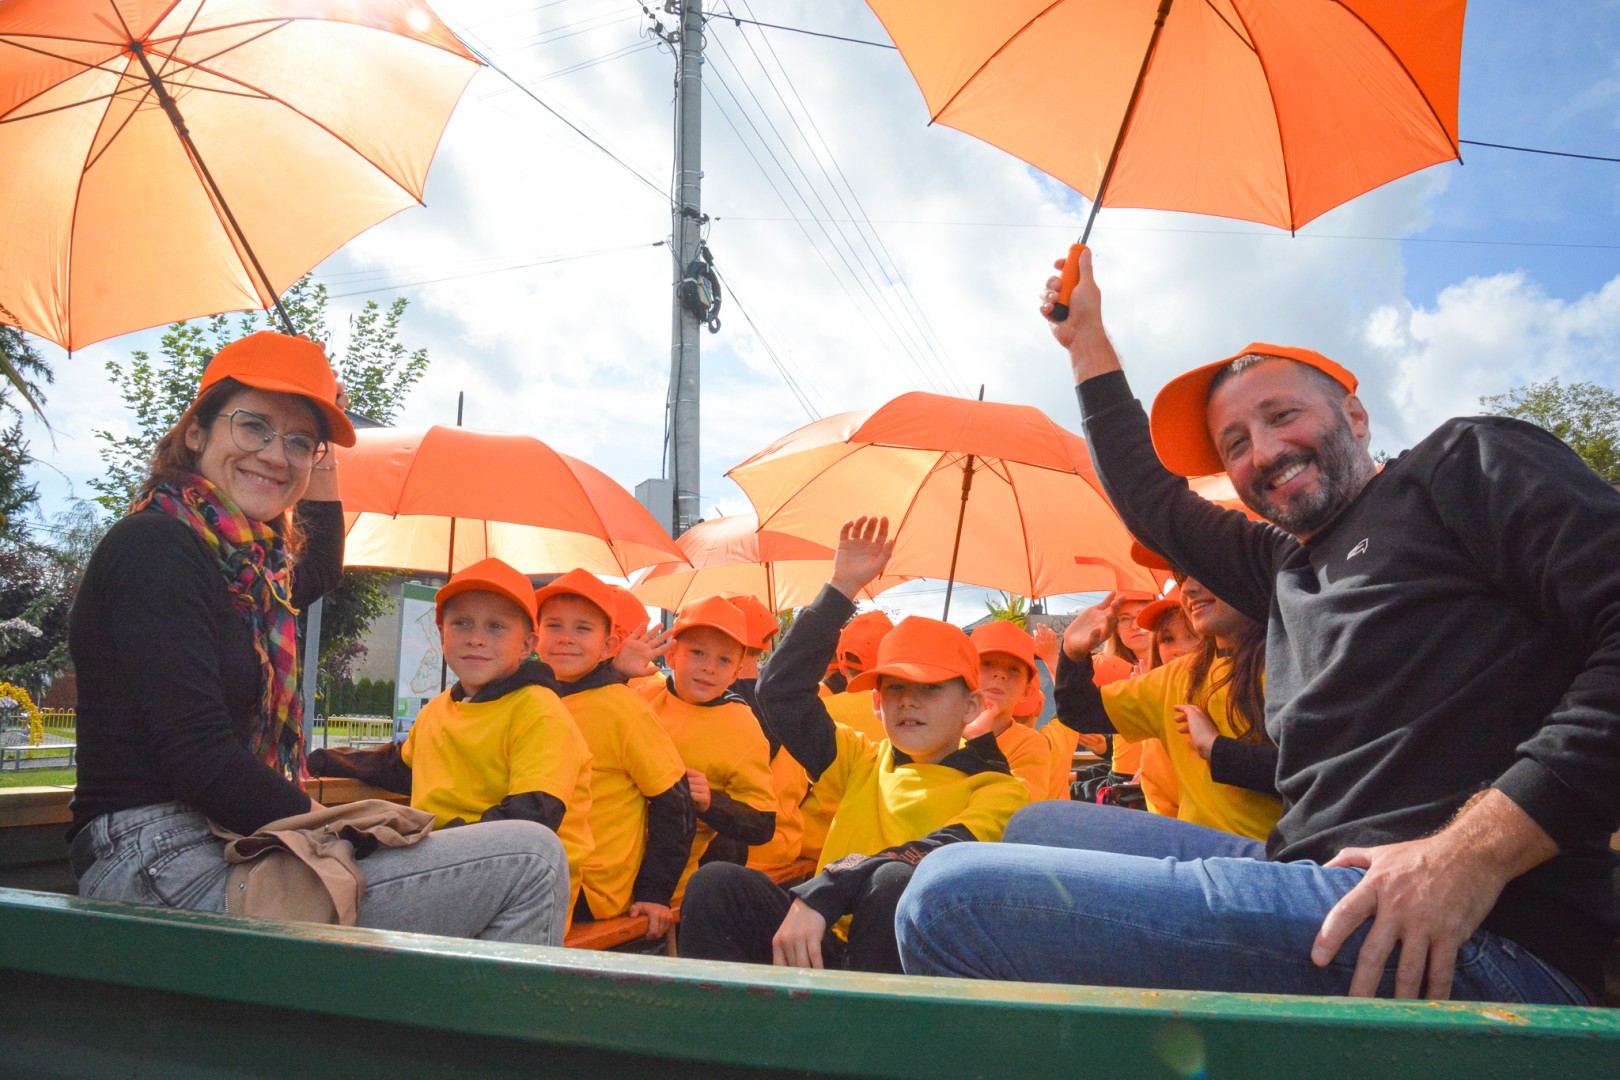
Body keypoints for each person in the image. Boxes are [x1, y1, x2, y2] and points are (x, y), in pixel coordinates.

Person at [896, 248, 1617, 1004]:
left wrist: (1469, 857)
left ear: (1356, 415)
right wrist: (1086, 344)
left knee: (952, 901)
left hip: (1467, 926)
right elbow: (1151, 498)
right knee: (1039, 827)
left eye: (1282, 415)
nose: (1264, 452)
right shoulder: (1285, 566)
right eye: (1235, 443)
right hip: (1304, 875)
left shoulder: (1459, 465)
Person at [67, 331, 568, 944]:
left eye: (299, 442)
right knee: (533, 858)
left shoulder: (245, 576)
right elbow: (200, 760)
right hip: (158, 860)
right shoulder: (156, 548)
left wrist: (324, 457)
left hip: (222, 842)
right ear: (195, 432)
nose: (277, 456)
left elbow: (320, 572)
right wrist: (332, 825)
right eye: (254, 427)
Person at [678, 517, 1028, 973]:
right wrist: (840, 589)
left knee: (897, 882)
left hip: (906, 964)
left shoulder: (1001, 791)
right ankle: (721, 1037)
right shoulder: (862, 757)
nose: (908, 703)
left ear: (970, 707)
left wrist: (824, 891)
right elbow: (780, 693)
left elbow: (931, 852)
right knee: (717, 884)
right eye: (895, 688)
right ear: (877, 702)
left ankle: (859, 1041)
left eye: (929, 689)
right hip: (825, 943)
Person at [308, 557, 595, 925]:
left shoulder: (540, 712)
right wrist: (330, 760)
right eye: (461, 624)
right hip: (442, 863)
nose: (476, 638)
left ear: (527, 645)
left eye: (495, 627)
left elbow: (534, 816)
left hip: (524, 886)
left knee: (349, 899)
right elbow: (399, 767)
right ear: (440, 632)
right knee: (323, 867)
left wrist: (440, 849)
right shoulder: (438, 710)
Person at [1050, 576, 1279, 840]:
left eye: (1205, 570)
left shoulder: (1287, 665)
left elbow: (1315, 775)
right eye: (1167, 639)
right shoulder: (1175, 676)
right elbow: (1078, 710)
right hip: (1193, 852)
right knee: (1040, 821)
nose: (1190, 587)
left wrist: (1217, 750)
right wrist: (1072, 651)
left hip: (1274, 857)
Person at [533, 569, 694, 939]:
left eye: (583, 629)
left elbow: (675, 801)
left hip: (591, 888)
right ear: (534, 638)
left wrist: (654, 894)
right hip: (536, 866)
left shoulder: (624, 708)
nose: (566, 639)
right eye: (554, 626)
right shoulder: (530, 699)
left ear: (608, 647)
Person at [637, 596, 778, 903]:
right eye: (697, 652)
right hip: (607, 861)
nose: (709, 668)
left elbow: (763, 823)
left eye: (724, 660)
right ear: (672, 655)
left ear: (737, 670)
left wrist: (712, 803)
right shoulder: (641, 693)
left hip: (669, 883)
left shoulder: (742, 727)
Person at [969, 621, 1054, 798]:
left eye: (1014, 669)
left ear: (1027, 691)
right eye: (987, 664)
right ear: (965, 673)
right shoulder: (940, 730)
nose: (1000, 674)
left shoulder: (1030, 743)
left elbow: (1021, 803)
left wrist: (981, 744)